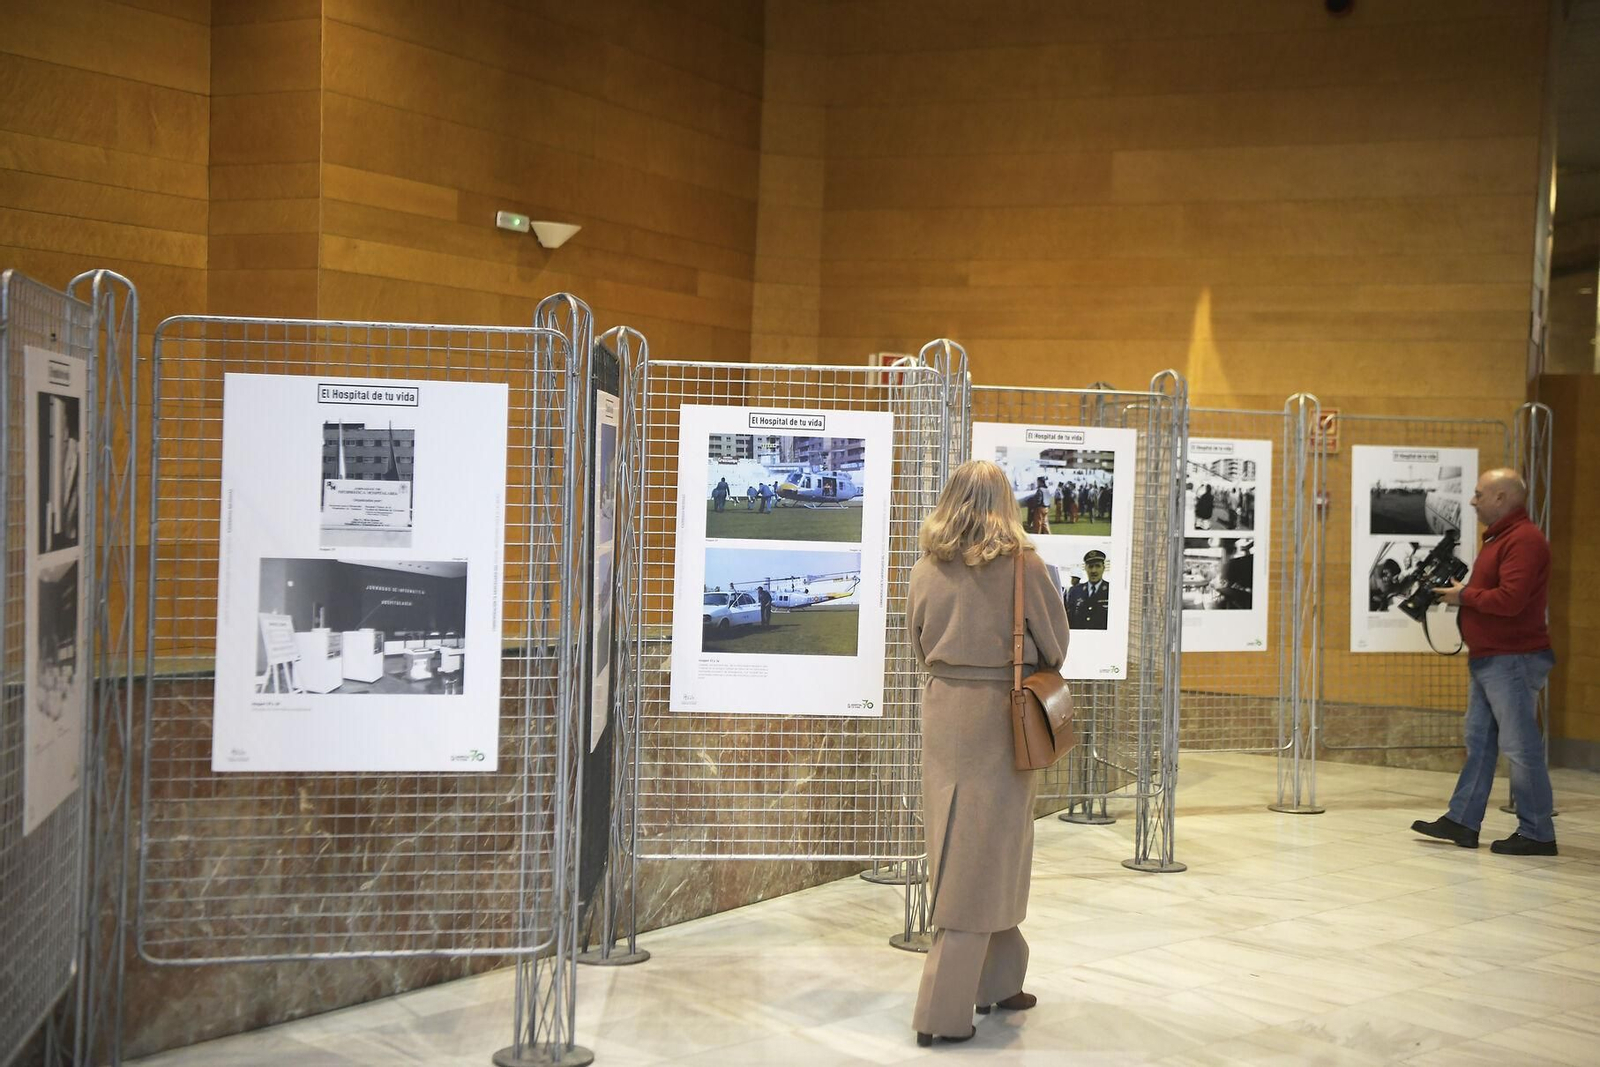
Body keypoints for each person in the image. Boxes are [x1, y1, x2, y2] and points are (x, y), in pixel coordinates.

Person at [907, 460, 1069, 1047]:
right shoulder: (1024, 565)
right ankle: (941, 1012)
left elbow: (918, 643)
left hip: (944, 712)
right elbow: (1056, 645)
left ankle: (1000, 979)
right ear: (1005, 502)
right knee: (987, 851)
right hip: (1003, 719)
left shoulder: (926, 567)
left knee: (968, 849)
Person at [1412, 469, 1557, 856]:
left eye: (1479, 494)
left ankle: (1538, 833)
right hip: (1492, 658)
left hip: (1513, 658)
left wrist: (1464, 596)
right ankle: (1462, 820)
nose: (1473, 501)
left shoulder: (1524, 540)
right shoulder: (1501, 538)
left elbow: (1510, 600)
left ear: (1501, 498)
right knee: (1479, 741)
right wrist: (1466, 595)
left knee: (1520, 747)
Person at [1064, 549, 1111, 630]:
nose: (1093, 570)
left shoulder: (1111, 591)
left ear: (1103, 568)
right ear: (1085, 568)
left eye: (1097, 566)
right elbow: (1069, 620)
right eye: (1090, 566)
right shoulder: (1075, 591)